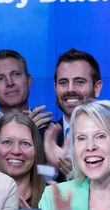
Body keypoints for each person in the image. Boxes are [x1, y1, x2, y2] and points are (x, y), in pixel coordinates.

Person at [44, 49, 103, 179]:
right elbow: (35, 179)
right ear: (55, 88)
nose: (70, 89)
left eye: (79, 82)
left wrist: (81, 175)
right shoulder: (43, 136)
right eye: (63, 83)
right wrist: (52, 168)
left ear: (97, 88)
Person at [0, 49, 51, 131]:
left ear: (28, 80)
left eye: (16, 74)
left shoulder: (53, 132)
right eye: (0, 79)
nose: (10, 83)